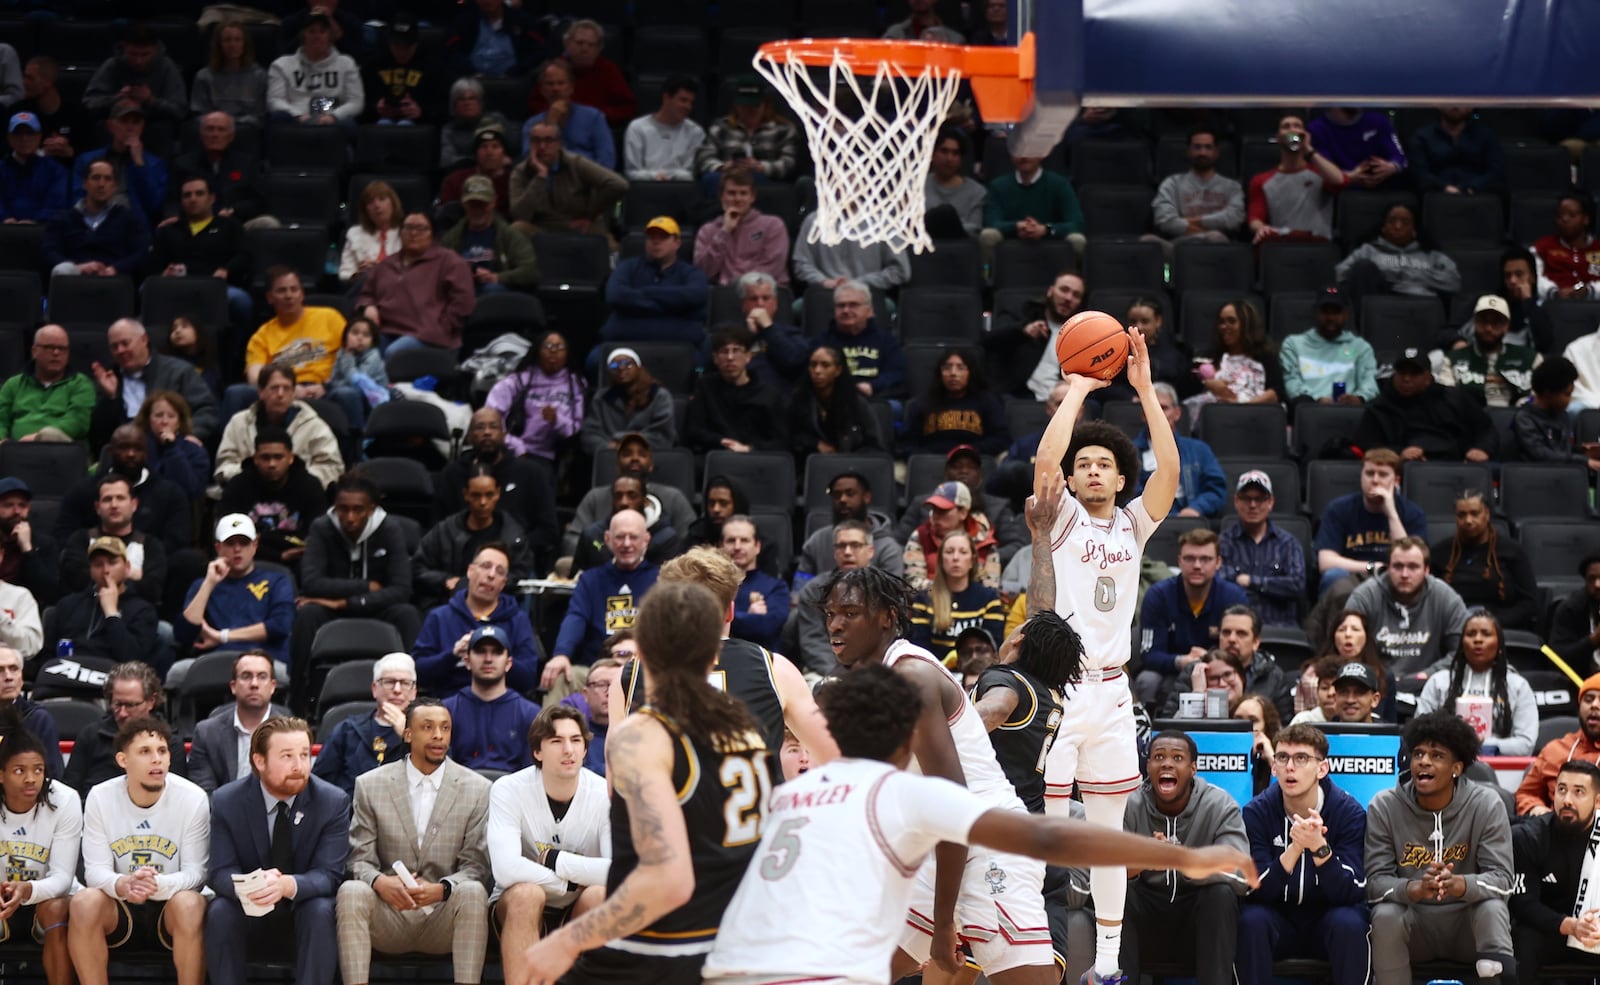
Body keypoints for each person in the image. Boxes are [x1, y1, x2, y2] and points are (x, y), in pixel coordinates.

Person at [701, 664, 1256, 985]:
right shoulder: (901, 794)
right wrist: (1182, 856)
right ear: (904, 739)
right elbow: (1047, 835)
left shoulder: (790, 797)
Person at [519, 580, 771, 985]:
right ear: (714, 652)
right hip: (741, 945)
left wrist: (567, 940)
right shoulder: (748, 728)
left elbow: (668, 880)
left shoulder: (643, 735)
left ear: (644, 649)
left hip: (662, 949)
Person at [1031, 326, 1178, 985]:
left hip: (1114, 692)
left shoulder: (1132, 522)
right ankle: (1040, 954)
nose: (1091, 469)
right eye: (1082, 462)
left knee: (1111, 832)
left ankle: (1109, 967)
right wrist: (1080, 389)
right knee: (1052, 832)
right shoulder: (1062, 517)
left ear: (1120, 478)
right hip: (1061, 689)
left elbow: (1169, 473)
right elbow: (1043, 466)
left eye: (1103, 464)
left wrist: (1145, 390)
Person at [612, 546, 836, 775]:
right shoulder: (776, 669)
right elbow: (834, 760)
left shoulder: (629, 676)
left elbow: (616, 783)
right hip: (754, 808)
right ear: (730, 611)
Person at [335, 699, 492, 985]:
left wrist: (442, 889)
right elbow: (358, 858)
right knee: (351, 891)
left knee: (472, 891)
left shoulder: (478, 789)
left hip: (443, 918)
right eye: (427, 727)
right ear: (407, 734)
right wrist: (381, 883)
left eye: (445, 728)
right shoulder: (370, 785)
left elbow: (476, 866)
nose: (438, 736)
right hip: (389, 914)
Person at [1365, 712, 1515, 985]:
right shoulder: (1384, 806)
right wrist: (1413, 889)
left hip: (1466, 927)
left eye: (1437, 755)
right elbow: (1374, 885)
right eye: (1419, 754)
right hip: (1415, 925)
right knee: (1385, 914)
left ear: (1456, 768)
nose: (1424, 761)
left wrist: (1461, 884)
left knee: (1493, 909)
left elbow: (1504, 882)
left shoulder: (1486, 804)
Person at [205, 716, 347, 985]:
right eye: (287, 756)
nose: (299, 765)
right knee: (220, 911)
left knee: (320, 910)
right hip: (248, 909)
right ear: (260, 761)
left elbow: (330, 875)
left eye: (304, 755)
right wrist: (252, 886)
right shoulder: (227, 800)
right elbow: (219, 871)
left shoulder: (332, 801)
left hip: (302, 912)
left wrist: (286, 885)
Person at [69, 716, 209, 985]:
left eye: (162, 751)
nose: (156, 759)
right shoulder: (100, 796)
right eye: (145, 752)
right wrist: (123, 884)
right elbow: (95, 872)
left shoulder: (193, 798)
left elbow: (198, 874)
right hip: (120, 906)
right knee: (84, 901)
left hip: (172, 909)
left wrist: (155, 884)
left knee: (190, 903)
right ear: (123, 760)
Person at [1237, 723, 1371, 985]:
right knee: (1251, 921)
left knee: (1350, 923)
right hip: (1278, 920)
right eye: (1283, 757)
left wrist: (1319, 848)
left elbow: (1354, 889)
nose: (1289, 767)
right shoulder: (1256, 812)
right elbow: (1254, 890)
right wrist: (1295, 848)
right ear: (1273, 766)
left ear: (1322, 768)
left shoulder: (1348, 812)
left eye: (1301, 759)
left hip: (1328, 920)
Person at [488, 705, 610, 984]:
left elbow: (619, 871)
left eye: (575, 740)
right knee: (526, 895)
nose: (568, 749)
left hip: (580, 905)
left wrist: (557, 861)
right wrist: (567, 883)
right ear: (537, 752)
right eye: (556, 741)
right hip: (518, 905)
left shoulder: (604, 793)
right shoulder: (507, 789)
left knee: (601, 895)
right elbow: (505, 870)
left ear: (584, 749)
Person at [1119, 730, 1249, 985]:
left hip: (1198, 923)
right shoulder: (1129, 805)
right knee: (1119, 896)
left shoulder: (1219, 804)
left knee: (1220, 895)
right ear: (1148, 766)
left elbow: (1240, 875)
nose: (1166, 763)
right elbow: (1101, 873)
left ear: (1193, 769)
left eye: (1177, 758)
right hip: (1147, 924)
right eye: (1158, 757)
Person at [290, 473, 421, 699]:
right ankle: (299, 696)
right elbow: (311, 582)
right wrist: (366, 586)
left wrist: (345, 602)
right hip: (330, 608)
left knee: (407, 614)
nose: (349, 517)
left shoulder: (390, 529)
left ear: (371, 509)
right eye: (343, 509)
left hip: (375, 608)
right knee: (307, 614)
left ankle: (416, 694)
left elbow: (401, 589)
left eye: (358, 509)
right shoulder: (322, 527)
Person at [0, 706, 79, 985]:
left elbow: (62, 878)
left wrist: (26, 890)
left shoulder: (65, 800)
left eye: (38, 770)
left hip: (45, 900)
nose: (31, 778)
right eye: (19, 770)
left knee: (57, 908)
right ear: (1, 774)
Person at [1509, 760, 1600, 985]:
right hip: (1550, 931)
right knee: (1523, 939)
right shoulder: (1529, 837)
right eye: (1562, 790)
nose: (1567, 799)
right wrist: (1570, 925)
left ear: (1598, 801)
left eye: (1579, 792)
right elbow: (1522, 904)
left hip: (1595, 932)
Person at [546, 510, 659, 689]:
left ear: (646, 539)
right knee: (560, 674)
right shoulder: (590, 580)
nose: (627, 544)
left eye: (634, 537)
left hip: (645, 669)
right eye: (620, 537)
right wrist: (562, 654)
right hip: (595, 669)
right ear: (607, 539)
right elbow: (576, 617)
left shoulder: (661, 579)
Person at [1137, 528, 1249, 704]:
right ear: (1179, 561)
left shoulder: (1234, 597)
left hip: (1218, 669)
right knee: (1147, 680)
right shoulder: (1158, 595)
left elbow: (1242, 652)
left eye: (1205, 559)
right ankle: (1150, 729)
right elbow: (1149, 655)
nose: (1197, 565)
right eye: (1190, 558)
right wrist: (1182, 661)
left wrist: (1210, 659)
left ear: (1218, 562)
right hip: (1171, 670)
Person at [437, 407, 559, 561]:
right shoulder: (452, 474)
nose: (487, 432)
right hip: (463, 559)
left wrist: (512, 547)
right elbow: (438, 527)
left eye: (493, 426)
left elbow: (548, 530)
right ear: (469, 437)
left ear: (504, 434)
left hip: (517, 559)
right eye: (480, 427)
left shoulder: (531, 473)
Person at [176, 515, 295, 667]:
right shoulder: (203, 584)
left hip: (265, 660)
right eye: (230, 543)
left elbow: (281, 626)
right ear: (218, 547)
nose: (237, 549)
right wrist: (209, 583)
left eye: (244, 543)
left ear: (255, 545)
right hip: (217, 661)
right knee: (177, 671)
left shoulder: (278, 581)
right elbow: (183, 634)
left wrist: (222, 636)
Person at [1417, 609, 1538, 756]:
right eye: (1471, 634)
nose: (1478, 640)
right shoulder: (1438, 683)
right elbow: (1419, 735)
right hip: (1445, 765)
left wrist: (1484, 745)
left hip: (1503, 771)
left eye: (1486, 634)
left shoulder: (1518, 686)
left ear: (1498, 643)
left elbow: (1526, 744)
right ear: (1462, 643)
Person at [1345, 538, 1469, 674]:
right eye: (1398, 567)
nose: (1405, 574)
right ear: (1388, 568)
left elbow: (1461, 652)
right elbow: (1346, 648)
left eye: (1413, 567)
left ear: (1426, 570)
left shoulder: (1445, 597)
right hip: (1375, 685)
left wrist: (1427, 675)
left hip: (1429, 686)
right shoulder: (1365, 596)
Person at [358, 212, 477, 354]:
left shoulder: (450, 262)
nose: (413, 233)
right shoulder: (386, 264)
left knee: (394, 353)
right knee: (356, 348)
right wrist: (369, 306)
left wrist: (441, 328)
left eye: (421, 228)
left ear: (433, 234)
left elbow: (464, 301)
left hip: (427, 337)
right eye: (408, 228)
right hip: (386, 330)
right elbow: (367, 294)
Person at [1312, 448, 1427, 594]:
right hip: (1353, 577)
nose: (1375, 480)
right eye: (1369, 473)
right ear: (1361, 476)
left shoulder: (1412, 513)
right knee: (1333, 576)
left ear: (1396, 481)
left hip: (1395, 578)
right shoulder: (1339, 509)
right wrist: (1371, 567)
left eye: (1383, 475)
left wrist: (1391, 513)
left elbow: (1412, 562)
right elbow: (1326, 562)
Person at [213, 363, 345, 490]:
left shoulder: (315, 426)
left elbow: (332, 468)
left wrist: (293, 481)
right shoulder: (239, 422)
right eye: (274, 388)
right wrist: (252, 476)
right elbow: (224, 465)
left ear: (293, 393)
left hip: (298, 496)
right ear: (261, 392)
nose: (280, 394)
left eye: (286, 388)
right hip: (248, 493)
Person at [415, 469, 535, 607]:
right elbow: (419, 567)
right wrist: (444, 580)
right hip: (446, 603)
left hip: (498, 606)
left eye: (489, 495)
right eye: (476, 495)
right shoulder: (445, 531)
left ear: (498, 493)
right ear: (466, 494)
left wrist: (488, 582)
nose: (483, 502)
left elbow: (519, 574)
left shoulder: (513, 535)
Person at [90, 318, 219, 446]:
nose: (120, 350)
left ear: (144, 339)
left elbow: (206, 411)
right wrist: (111, 398)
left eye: (125, 343)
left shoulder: (179, 372)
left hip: (170, 445)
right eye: (114, 347)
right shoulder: (108, 378)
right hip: (125, 450)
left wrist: (185, 436)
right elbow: (99, 432)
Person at [63, 663, 187, 795]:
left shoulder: (170, 741)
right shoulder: (91, 735)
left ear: (151, 701)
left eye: (130, 705)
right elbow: (70, 791)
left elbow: (176, 794)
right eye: (117, 704)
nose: (122, 713)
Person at [564, 434, 695, 557]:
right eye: (627, 454)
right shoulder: (595, 497)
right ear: (617, 465)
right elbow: (572, 540)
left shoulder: (674, 498)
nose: (634, 458)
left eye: (642, 454)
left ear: (651, 465)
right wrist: (609, 556)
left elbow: (690, 543)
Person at [216, 427, 329, 567]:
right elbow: (227, 533)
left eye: (278, 457)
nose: (272, 464)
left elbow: (317, 533)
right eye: (265, 458)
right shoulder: (238, 486)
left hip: (298, 559)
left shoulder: (310, 486)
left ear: (290, 458)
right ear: (255, 458)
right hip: (250, 558)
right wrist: (277, 555)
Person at [150, 174, 250, 330]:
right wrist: (164, 273)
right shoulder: (168, 230)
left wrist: (226, 270)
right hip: (177, 286)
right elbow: (153, 264)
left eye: (199, 193)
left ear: (211, 198)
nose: (193, 199)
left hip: (216, 286)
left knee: (241, 300)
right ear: (181, 201)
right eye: (187, 195)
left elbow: (244, 256)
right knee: (146, 290)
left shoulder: (229, 226)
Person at [1430, 489, 1540, 630]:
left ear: (1487, 514)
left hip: (1501, 628)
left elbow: (1529, 603)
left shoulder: (1512, 551)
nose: (1468, 521)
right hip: (1452, 627)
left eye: (1475, 513)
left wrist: (1494, 623)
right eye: (1461, 515)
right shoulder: (1440, 552)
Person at [187, 650, 291, 793]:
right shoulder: (206, 733)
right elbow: (204, 794)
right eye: (246, 676)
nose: (254, 684)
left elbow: (293, 790)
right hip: (222, 814)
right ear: (233, 686)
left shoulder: (291, 735)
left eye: (262, 677)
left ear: (273, 686)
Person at [311, 652, 414, 796]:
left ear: (414, 692)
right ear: (374, 689)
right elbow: (319, 784)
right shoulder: (346, 731)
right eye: (389, 682)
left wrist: (409, 737)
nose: (397, 690)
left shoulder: (428, 733)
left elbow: (440, 778)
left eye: (405, 683)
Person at [486, 330, 587, 476]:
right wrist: (516, 446)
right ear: (537, 350)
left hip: (549, 456)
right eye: (548, 346)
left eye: (559, 347)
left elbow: (576, 428)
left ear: (567, 353)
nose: (553, 351)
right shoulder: (518, 381)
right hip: (513, 449)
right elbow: (491, 416)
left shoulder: (575, 383)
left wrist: (556, 420)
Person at [601, 216, 709, 347]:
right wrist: (671, 305)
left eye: (663, 237)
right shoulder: (627, 267)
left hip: (679, 345)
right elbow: (616, 295)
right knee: (594, 360)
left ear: (677, 242)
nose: (656, 242)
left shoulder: (692, 272)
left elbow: (695, 295)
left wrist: (644, 294)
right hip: (627, 342)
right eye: (652, 237)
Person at [443, 625, 541, 772]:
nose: (488, 659)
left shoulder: (531, 714)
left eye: (496, 652)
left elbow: (534, 773)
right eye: (481, 651)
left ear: (508, 663)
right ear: (467, 661)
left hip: (514, 792)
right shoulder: (446, 711)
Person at [53, 537, 160, 669]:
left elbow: (132, 658)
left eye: (112, 562)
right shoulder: (68, 605)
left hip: (115, 679)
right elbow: (50, 653)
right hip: (68, 674)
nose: (106, 570)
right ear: (91, 570)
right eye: (98, 564)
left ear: (127, 568)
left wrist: (111, 613)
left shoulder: (143, 611)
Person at [789, 520, 877, 678]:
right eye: (841, 546)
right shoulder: (814, 589)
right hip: (825, 669)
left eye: (855, 545)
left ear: (870, 551)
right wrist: (840, 675)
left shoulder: (883, 589)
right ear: (834, 552)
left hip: (875, 669)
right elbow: (813, 642)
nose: (848, 552)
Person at [508, 121, 627, 237]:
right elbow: (519, 214)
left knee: (605, 240)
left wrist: (591, 214)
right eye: (536, 140)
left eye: (548, 140)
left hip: (578, 227)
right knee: (517, 229)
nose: (542, 146)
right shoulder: (521, 171)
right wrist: (540, 177)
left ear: (559, 143)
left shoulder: (576, 163)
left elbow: (618, 184)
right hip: (542, 230)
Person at [1219, 471, 1305, 628]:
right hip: (1236, 629)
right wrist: (1273, 587)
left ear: (1270, 502)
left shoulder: (1288, 543)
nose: (1253, 505)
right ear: (1236, 501)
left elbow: (1296, 585)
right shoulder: (1223, 542)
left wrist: (1250, 581)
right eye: (1246, 498)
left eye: (1259, 499)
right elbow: (1219, 582)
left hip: (1281, 627)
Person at [985, 270, 1087, 400]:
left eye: (1076, 295)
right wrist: (1023, 332)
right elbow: (989, 340)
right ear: (1050, 291)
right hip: (1020, 397)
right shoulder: (1024, 313)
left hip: (1061, 400)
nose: (1068, 298)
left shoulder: (1081, 333)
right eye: (1064, 290)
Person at [42, 159, 150, 282]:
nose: (101, 184)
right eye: (96, 178)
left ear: (115, 186)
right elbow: (49, 252)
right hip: (72, 280)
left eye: (107, 179)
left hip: (114, 282)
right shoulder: (62, 218)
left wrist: (114, 269)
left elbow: (141, 253)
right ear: (84, 183)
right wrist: (77, 267)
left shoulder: (129, 219)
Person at [1146, 124, 1245, 256]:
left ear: (1216, 152)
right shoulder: (1172, 183)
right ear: (1188, 151)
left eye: (1208, 147)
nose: (1202, 153)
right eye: (1197, 147)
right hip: (1177, 246)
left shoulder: (1232, 187)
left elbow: (1234, 219)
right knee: (1147, 241)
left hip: (1217, 245)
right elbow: (1164, 220)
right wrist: (1211, 223)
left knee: (1215, 236)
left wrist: (1190, 221)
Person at [684, 326, 787, 454]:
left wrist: (750, 449)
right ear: (715, 358)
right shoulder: (705, 386)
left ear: (748, 356)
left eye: (736, 351)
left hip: (757, 461)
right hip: (716, 456)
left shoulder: (769, 394)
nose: (730, 357)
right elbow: (693, 431)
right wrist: (721, 441)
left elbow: (781, 442)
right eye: (724, 351)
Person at [1247, 114, 1346, 244]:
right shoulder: (1262, 180)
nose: (1292, 130)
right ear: (1278, 137)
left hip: (1317, 245)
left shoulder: (1321, 173)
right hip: (1283, 244)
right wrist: (1261, 229)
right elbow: (1255, 218)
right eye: (1286, 127)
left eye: (1297, 126)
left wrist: (1308, 150)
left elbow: (1339, 181)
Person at [1335, 200, 1461, 301]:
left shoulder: (1432, 255)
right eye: (1392, 221)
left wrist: (1402, 275)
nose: (1397, 226)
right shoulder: (1368, 251)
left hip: (1421, 307)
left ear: (1414, 230)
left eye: (1405, 222)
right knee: (1363, 267)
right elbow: (1340, 273)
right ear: (1383, 227)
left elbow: (1453, 282)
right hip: (1380, 308)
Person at [909, 530, 1005, 660]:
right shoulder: (924, 599)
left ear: (972, 561)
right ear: (941, 560)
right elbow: (919, 648)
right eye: (949, 552)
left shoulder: (989, 599)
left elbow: (994, 647)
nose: (955, 558)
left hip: (976, 672)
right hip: (934, 672)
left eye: (963, 552)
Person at [1136, 382, 1228, 517]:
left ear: (1177, 413)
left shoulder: (1199, 450)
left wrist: (1196, 508)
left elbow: (1216, 490)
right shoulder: (1130, 453)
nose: (1158, 413)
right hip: (1148, 526)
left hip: (1192, 522)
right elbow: (1128, 495)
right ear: (1144, 415)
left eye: (1164, 408)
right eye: (1152, 407)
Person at [694, 77, 800, 193]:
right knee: (711, 179)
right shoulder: (720, 128)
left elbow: (789, 164)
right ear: (736, 106)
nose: (749, 110)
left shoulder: (783, 130)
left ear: (765, 105)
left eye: (755, 106)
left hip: (764, 182)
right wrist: (724, 167)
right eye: (744, 106)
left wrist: (761, 167)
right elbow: (704, 158)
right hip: (725, 178)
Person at [1279, 286, 1379, 408]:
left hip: (1350, 412)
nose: (1330, 318)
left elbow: (1369, 381)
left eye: (1336, 312)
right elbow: (1291, 383)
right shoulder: (1293, 344)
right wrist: (1316, 400)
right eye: (1325, 311)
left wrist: (1358, 398)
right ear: (1316, 313)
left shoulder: (1360, 347)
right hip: (1309, 410)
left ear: (1346, 314)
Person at [72, 99, 168, 225]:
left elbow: (154, 205)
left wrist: (139, 164)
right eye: (124, 121)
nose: (130, 128)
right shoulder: (86, 160)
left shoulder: (155, 164)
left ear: (142, 127)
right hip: (94, 224)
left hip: (134, 229)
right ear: (110, 125)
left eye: (136, 122)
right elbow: (76, 201)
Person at [1435, 295, 1539, 409]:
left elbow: (1540, 397)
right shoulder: (1453, 359)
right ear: (1475, 322)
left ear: (1506, 326)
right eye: (1483, 321)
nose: (1488, 328)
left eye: (1496, 322)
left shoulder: (1530, 358)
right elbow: (1446, 398)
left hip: (1519, 420)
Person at [1517, 674, 1600, 815]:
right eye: (1588, 699)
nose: (1594, 705)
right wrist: (1535, 808)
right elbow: (1526, 793)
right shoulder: (1555, 750)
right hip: (1555, 832)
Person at [903, 347, 1010, 457]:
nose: (953, 373)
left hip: (974, 460)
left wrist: (970, 450)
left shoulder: (987, 401)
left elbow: (1001, 438)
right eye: (947, 368)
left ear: (970, 373)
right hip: (931, 462)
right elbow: (907, 443)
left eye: (961, 368)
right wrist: (928, 457)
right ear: (940, 373)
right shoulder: (922, 403)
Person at [442, 176, 540, 294]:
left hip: (495, 298)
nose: (477, 210)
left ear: (494, 202)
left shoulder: (510, 236)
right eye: (472, 204)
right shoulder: (451, 239)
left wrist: (497, 277)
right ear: (463, 203)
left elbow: (530, 271)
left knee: (492, 289)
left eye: (482, 204)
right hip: (460, 293)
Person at [789, 344, 887, 462]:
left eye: (825, 365)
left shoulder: (856, 402)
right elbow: (788, 438)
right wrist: (814, 444)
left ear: (838, 370)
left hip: (852, 465)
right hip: (809, 466)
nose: (817, 371)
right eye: (813, 365)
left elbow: (874, 446)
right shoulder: (798, 399)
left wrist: (848, 460)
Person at [266, 11, 364, 129]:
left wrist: (333, 116)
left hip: (333, 121)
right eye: (311, 31)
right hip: (296, 121)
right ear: (303, 36)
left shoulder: (346, 63)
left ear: (330, 36)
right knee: (279, 117)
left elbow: (356, 101)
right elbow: (274, 100)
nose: (317, 36)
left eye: (322, 31)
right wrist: (298, 115)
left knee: (348, 124)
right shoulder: (282, 65)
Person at [901, 480, 1002, 593]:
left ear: (963, 513)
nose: (936, 516)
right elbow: (912, 585)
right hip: (929, 606)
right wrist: (956, 588)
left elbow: (991, 590)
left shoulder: (986, 543)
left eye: (943, 511)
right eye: (934, 510)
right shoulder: (920, 536)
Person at [694, 168, 789, 287]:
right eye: (731, 193)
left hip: (765, 291)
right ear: (721, 196)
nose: (737, 199)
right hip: (724, 294)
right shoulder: (708, 230)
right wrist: (724, 231)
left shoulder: (773, 225)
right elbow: (703, 272)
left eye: (743, 193)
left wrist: (738, 283)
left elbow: (772, 267)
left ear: (752, 197)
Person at [1187, 300, 1286, 412]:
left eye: (1231, 321)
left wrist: (1242, 408)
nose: (1224, 326)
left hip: (1255, 415)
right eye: (1221, 322)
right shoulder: (1211, 356)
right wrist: (1208, 384)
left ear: (1246, 325)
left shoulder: (1265, 357)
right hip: (1216, 417)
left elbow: (1276, 392)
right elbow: (1185, 386)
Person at [817, 280, 909, 400]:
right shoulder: (821, 342)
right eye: (841, 305)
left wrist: (872, 386)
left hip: (877, 399)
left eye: (853, 305)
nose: (846, 310)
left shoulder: (887, 341)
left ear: (869, 311)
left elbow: (897, 373)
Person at [0, 323, 93, 442]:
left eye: (62, 348)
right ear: (34, 351)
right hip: (17, 454)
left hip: (61, 451)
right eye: (49, 347)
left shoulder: (80, 384)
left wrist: (38, 438)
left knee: (50, 435)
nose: (56, 353)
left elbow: (77, 422)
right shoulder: (13, 384)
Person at [169, 111, 263, 226]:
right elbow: (171, 200)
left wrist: (233, 211)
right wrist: (173, 216)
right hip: (194, 222)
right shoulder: (183, 164)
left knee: (267, 223)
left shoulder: (246, 163)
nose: (215, 134)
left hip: (237, 221)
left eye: (221, 130)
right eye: (210, 129)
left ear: (231, 136)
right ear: (201, 134)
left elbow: (259, 201)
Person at [980, 153, 1086, 254]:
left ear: (1041, 155)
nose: (1025, 156)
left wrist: (1046, 229)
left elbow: (1076, 223)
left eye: (1030, 151)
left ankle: (1071, 273)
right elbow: (991, 222)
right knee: (988, 234)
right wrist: (1017, 226)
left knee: (1077, 240)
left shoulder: (1060, 183)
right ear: (1012, 156)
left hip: (1050, 238)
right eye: (1020, 151)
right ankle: (987, 272)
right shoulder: (998, 185)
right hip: (1011, 238)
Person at [578, 350, 677, 455]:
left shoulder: (659, 396)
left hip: (652, 457)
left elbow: (662, 437)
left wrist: (623, 443)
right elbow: (589, 435)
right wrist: (607, 448)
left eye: (627, 363)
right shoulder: (601, 398)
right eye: (614, 365)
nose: (621, 368)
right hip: (610, 457)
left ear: (639, 368)